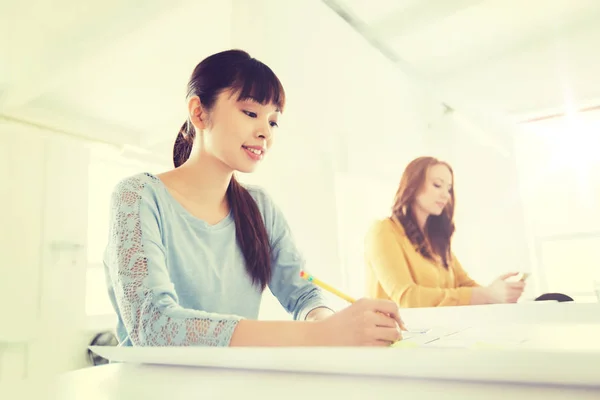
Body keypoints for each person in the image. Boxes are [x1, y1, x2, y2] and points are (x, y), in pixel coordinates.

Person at [103, 49, 403, 347]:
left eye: (273, 121)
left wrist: (332, 323)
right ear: (198, 112)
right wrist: (319, 335)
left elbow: (303, 292)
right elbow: (154, 326)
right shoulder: (138, 197)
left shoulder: (259, 207)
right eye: (250, 113)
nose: (265, 132)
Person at [364, 156, 526, 308]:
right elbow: (407, 298)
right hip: (395, 335)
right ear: (413, 185)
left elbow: (464, 284)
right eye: (437, 185)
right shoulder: (384, 231)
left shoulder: (436, 241)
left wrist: (498, 294)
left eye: (448, 189)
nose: (445, 195)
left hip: (437, 332)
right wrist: (487, 295)